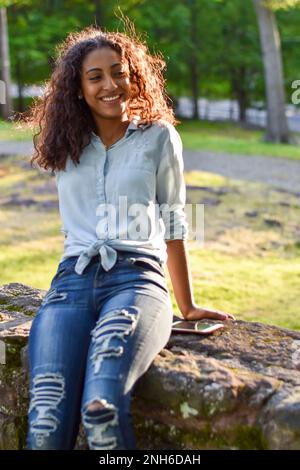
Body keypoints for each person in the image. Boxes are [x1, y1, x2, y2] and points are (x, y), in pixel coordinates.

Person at [23, 22, 235, 450]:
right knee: (45, 419)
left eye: (119, 72)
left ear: (134, 76)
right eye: (95, 76)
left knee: (100, 408)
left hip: (137, 282)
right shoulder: (65, 141)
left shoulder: (159, 137)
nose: (110, 84)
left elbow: (174, 223)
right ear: (77, 88)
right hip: (71, 285)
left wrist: (187, 305)